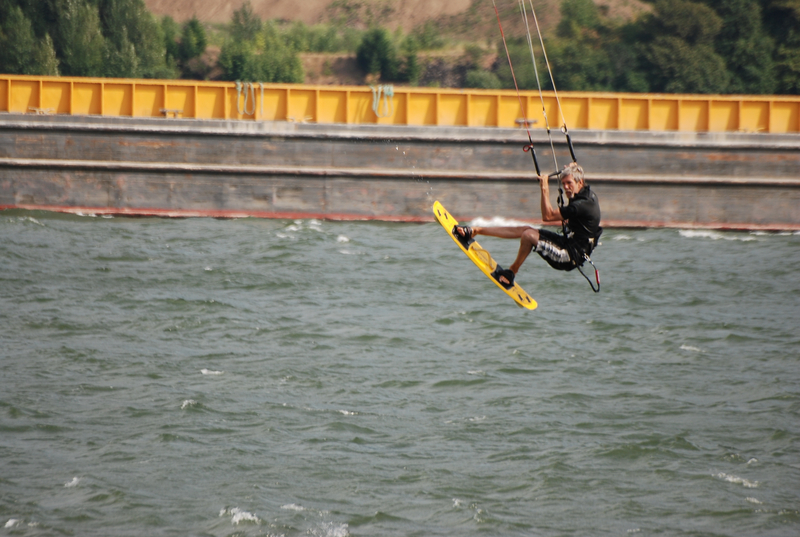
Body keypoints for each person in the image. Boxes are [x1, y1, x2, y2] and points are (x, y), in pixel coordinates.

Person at [453, 162, 601, 288]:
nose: (566, 187)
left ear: (580, 182)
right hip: (566, 243)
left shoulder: (582, 204)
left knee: (528, 236)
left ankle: (511, 272)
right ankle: (475, 230)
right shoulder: (585, 193)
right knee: (526, 229)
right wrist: (574, 167)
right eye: (563, 184)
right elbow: (577, 174)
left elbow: (547, 216)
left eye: (569, 183)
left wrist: (544, 188)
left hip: (569, 256)